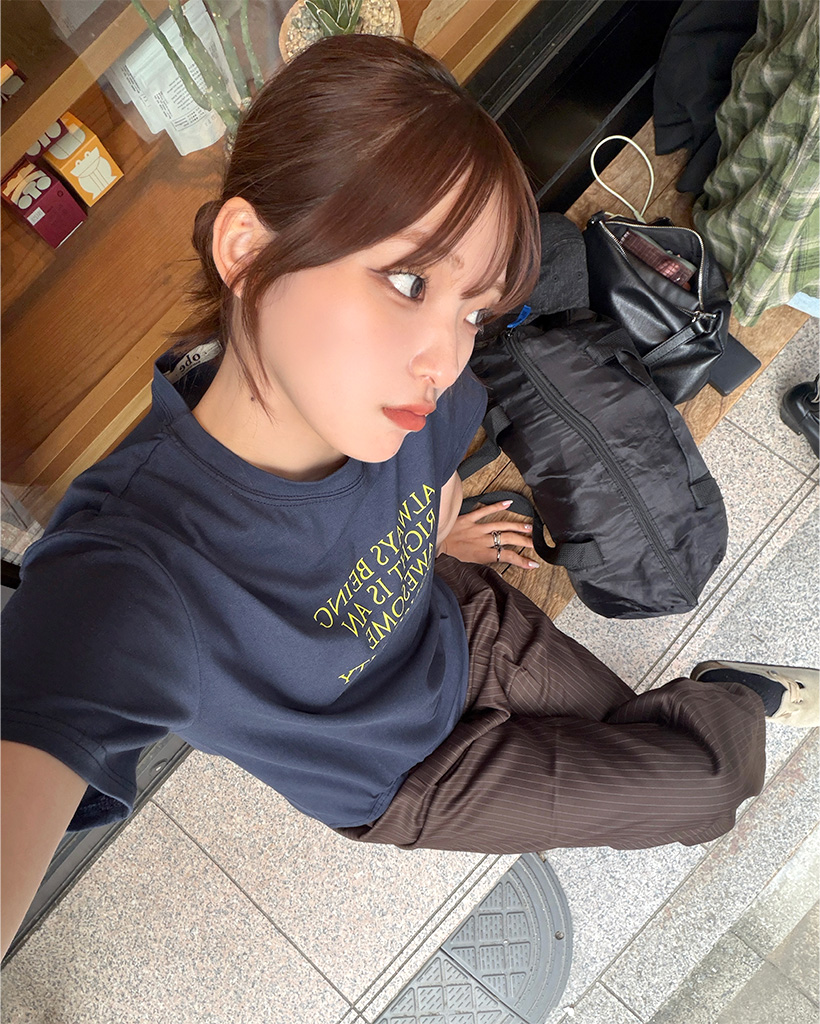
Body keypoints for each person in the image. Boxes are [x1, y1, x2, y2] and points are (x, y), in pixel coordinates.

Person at [2, 34, 817, 960]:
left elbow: (430, 472)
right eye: (407, 279)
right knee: (707, 795)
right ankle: (735, 699)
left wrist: (436, 540)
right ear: (247, 249)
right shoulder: (131, 570)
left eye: (472, 310)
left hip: (465, 627)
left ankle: (708, 709)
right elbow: (46, 707)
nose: (445, 354)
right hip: (411, 775)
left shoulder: (415, 396)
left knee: (652, 747)